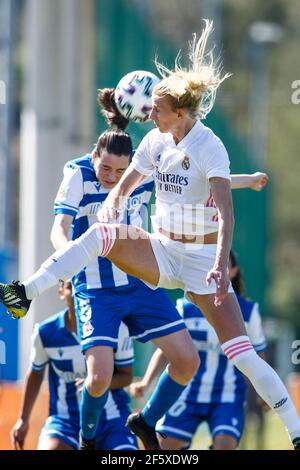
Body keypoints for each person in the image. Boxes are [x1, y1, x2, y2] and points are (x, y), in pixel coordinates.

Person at [1, 19, 299, 450]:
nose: (148, 114)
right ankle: (25, 291)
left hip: (201, 264)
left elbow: (226, 213)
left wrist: (219, 265)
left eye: (157, 108)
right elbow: (125, 186)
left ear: (180, 113)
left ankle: (294, 432)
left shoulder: (210, 145)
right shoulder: (157, 141)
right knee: (101, 235)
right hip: (162, 252)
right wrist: (113, 206)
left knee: (244, 356)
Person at [130, 251, 269, 450]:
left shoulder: (248, 311)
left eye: (224, 264)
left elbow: (257, 356)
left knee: (225, 446)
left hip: (227, 395)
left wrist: (262, 391)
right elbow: (167, 351)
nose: (218, 269)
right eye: (213, 264)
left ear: (234, 271)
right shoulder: (186, 307)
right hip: (187, 393)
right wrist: (146, 381)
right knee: (162, 448)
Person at [10, 281, 138, 451]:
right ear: (61, 292)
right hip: (66, 422)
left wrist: (93, 385)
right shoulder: (45, 333)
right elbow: (35, 373)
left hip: (111, 420)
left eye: (84, 284)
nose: (78, 290)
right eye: (72, 285)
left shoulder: (118, 328)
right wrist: (23, 419)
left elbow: (126, 376)